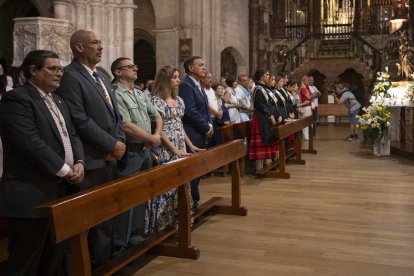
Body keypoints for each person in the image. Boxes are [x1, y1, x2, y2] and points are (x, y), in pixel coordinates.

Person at [0, 50, 85, 275]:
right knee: (26, 262)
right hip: (31, 193)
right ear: (33, 71)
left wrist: (79, 161)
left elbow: (72, 134)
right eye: (53, 69)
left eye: (61, 69)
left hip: (61, 191)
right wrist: (66, 170)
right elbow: (30, 143)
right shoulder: (17, 99)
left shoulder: (58, 100)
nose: (59, 74)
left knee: (54, 258)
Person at [55, 29, 126, 266]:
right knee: (87, 220)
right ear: (79, 47)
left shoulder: (102, 77)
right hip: (91, 158)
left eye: (101, 42)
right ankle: (83, 267)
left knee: (106, 215)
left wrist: (119, 142)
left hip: (110, 157)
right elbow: (79, 119)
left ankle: (102, 263)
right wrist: (111, 144)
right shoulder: (70, 76)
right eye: (95, 43)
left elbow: (116, 117)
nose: (101, 46)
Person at [111, 57, 163, 256]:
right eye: (130, 66)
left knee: (142, 194)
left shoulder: (140, 93)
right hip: (131, 150)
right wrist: (150, 137)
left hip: (146, 149)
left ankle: (135, 235)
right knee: (126, 197)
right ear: (118, 72)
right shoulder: (117, 93)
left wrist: (156, 136)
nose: (135, 68)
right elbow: (125, 125)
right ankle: (119, 244)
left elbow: (157, 115)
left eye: (135, 65)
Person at [148, 65, 202, 233]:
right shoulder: (155, 100)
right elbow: (160, 130)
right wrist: (174, 149)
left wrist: (190, 144)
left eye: (178, 76)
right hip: (165, 147)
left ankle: (180, 219)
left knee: (182, 181)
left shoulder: (179, 100)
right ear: (165, 79)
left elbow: (180, 125)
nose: (179, 80)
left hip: (179, 142)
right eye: (175, 77)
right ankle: (163, 223)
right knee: (167, 183)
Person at [178, 56, 213, 210]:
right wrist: (206, 127)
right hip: (192, 133)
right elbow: (190, 111)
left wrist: (209, 125)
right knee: (192, 171)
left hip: (200, 132)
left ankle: (195, 201)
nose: (204, 68)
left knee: (198, 170)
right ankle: (190, 205)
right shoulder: (186, 85)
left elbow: (205, 109)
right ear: (191, 68)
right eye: (200, 65)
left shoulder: (198, 85)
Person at [249, 68, 280, 173]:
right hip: (260, 119)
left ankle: (268, 168)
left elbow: (269, 104)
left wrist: (272, 114)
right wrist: (270, 115)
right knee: (261, 144)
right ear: (261, 76)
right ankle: (259, 169)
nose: (268, 76)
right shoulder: (258, 89)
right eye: (267, 75)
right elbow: (261, 105)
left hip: (265, 118)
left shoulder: (264, 89)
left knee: (267, 142)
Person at [299, 75, 313, 141]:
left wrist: (312, 96)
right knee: (306, 122)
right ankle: (305, 136)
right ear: (304, 81)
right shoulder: (303, 88)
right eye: (307, 80)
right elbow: (308, 97)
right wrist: (314, 95)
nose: (308, 81)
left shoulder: (306, 88)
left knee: (308, 122)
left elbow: (310, 97)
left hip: (308, 106)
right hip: (306, 107)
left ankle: (307, 136)